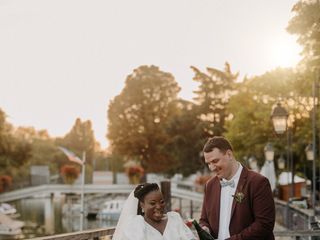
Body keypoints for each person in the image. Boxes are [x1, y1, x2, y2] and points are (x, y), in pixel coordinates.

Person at [199, 136, 275, 240]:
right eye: (208, 163)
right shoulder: (210, 185)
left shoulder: (258, 182)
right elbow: (204, 219)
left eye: (215, 161)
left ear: (229, 154)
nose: (211, 167)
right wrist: (205, 228)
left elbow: (264, 225)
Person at [113, 183, 196, 240]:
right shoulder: (136, 225)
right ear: (142, 205)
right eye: (152, 203)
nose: (159, 206)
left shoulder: (174, 219)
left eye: (162, 202)